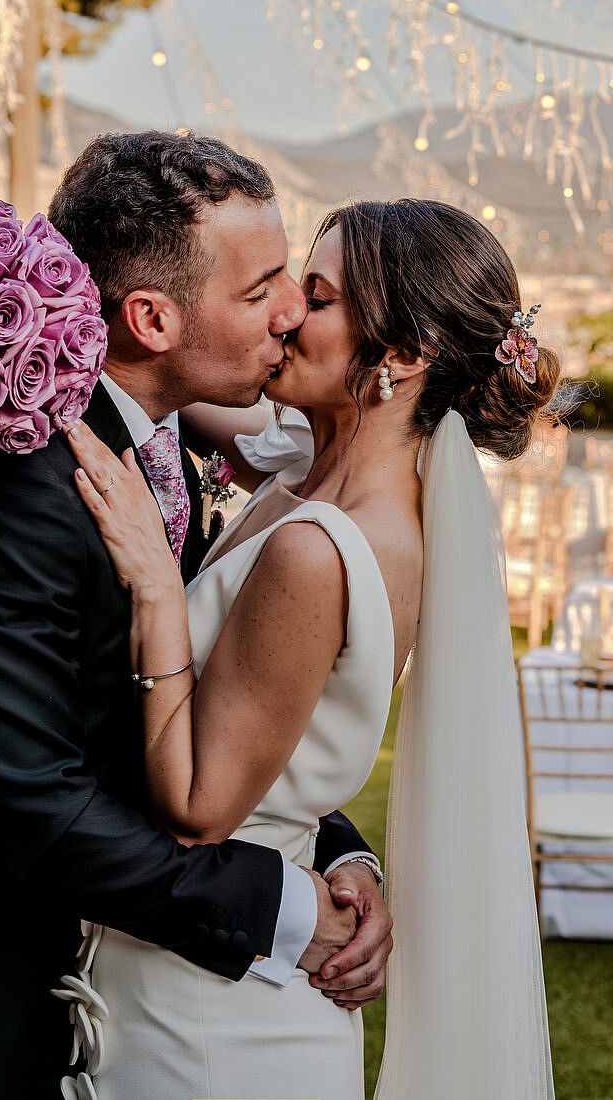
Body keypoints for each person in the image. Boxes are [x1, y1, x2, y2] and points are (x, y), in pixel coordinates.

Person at [0, 131, 391, 1099]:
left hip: (115, 1003)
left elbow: (192, 697)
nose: (289, 314)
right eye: (259, 288)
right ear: (150, 318)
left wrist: (332, 848)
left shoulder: (146, 445)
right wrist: (280, 906)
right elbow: (27, 809)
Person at [66, 196, 560, 1098]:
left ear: (403, 357)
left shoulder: (321, 549)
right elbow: (164, 386)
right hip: (201, 955)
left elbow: (199, 805)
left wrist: (155, 589)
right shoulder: (303, 471)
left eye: (319, 294)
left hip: (216, 1019)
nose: (287, 309)